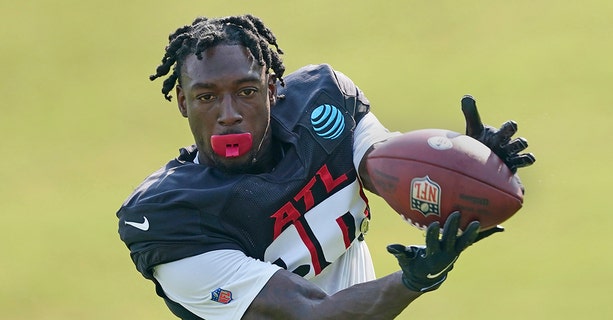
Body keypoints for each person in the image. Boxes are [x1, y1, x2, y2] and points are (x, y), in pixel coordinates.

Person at [116, 14, 535, 319]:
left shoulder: (322, 106)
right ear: (183, 102)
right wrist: (417, 279)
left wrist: (464, 163)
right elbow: (313, 314)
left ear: (274, 89)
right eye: (207, 97)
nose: (229, 114)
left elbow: (387, 167)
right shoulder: (173, 218)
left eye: (246, 91)